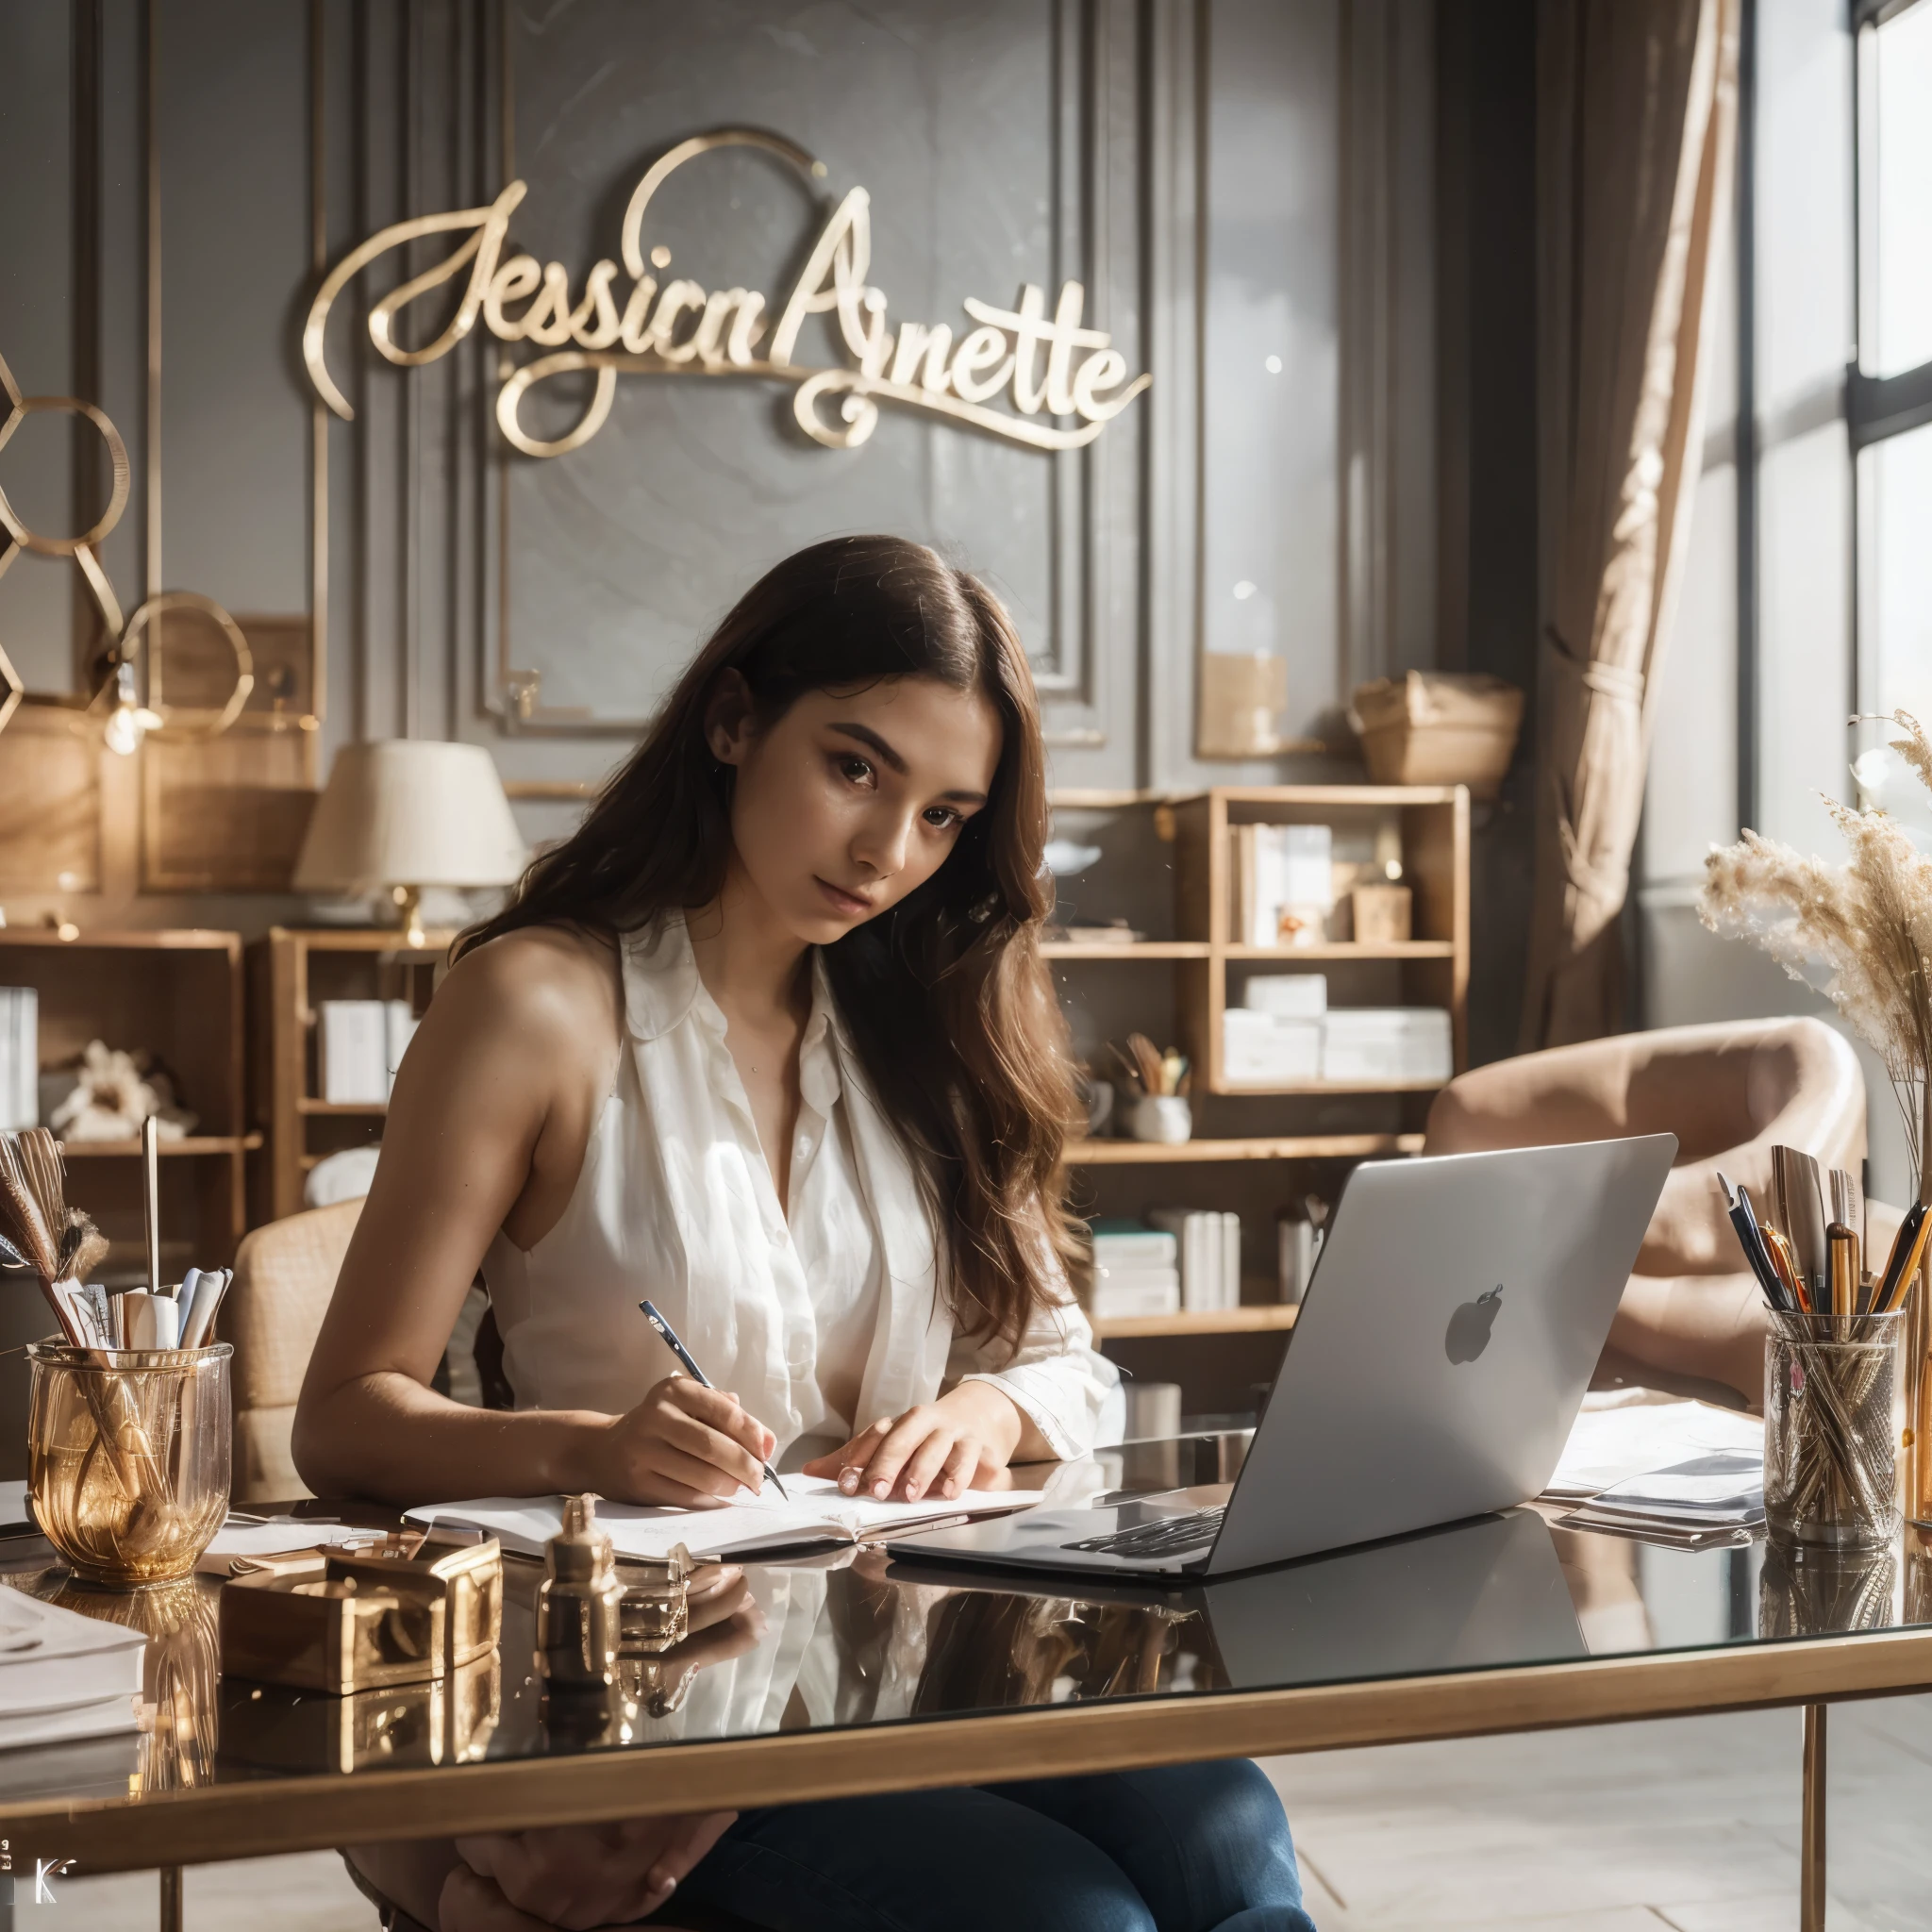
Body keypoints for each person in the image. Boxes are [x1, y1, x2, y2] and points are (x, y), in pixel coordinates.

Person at [294, 535, 1316, 1932]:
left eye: (947, 815)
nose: (888, 853)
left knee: (1230, 1832)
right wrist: (592, 1450)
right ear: (731, 720)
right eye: (856, 769)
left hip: (918, 1665)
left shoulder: (932, 1030)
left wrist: (986, 1399)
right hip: (657, 1699)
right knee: (1074, 1919)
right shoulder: (537, 1005)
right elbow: (345, 1420)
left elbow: (1070, 1361)